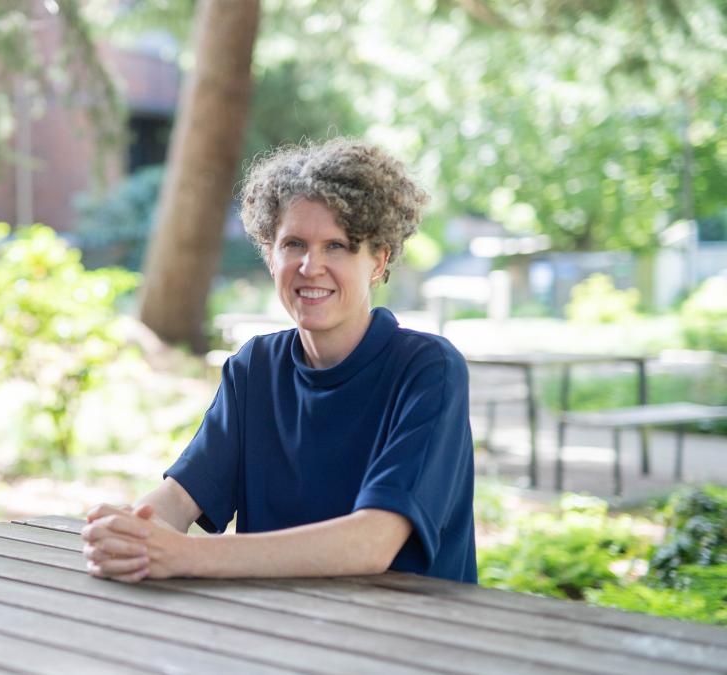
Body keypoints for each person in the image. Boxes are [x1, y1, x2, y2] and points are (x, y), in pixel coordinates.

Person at [82, 138, 477, 584]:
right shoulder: (256, 368)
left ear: (378, 261)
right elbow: (177, 500)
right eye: (294, 243)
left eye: (338, 246)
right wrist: (130, 531)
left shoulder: (428, 371)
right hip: (275, 632)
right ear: (270, 255)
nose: (311, 266)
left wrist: (188, 555)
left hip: (411, 641)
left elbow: (373, 541)